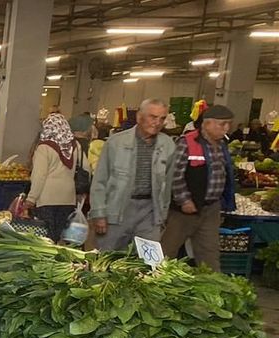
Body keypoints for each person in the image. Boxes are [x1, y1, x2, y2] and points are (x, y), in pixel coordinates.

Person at [89, 98, 175, 251]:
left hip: (150, 212)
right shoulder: (116, 142)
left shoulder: (168, 145)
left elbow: (168, 185)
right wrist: (99, 213)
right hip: (117, 209)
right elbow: (100, 181)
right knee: (107, 257)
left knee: (148, 261)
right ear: (139, 117)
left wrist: (162, 216)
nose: (157, 123)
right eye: (153, 117)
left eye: (162, 118)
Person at [161, 105, 236, 271]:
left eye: (229, 124)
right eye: (222, 124)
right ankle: (153, 279)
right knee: (167, 250)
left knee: (209, 253)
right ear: (207, 124)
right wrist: (184, 200)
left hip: (211, 208)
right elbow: (175, 174)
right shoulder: (187, 142)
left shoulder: (222, 144)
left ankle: (212, 283)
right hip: (185, 210)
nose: (226, 128)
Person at [22, 114, 81, 243]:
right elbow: (85, 168)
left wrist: (31, 199)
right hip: (68, 199)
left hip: (47, 199)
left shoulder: (44, 148)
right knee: (60, 236)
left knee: (46, 238)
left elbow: (39, 176)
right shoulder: (75, 146)